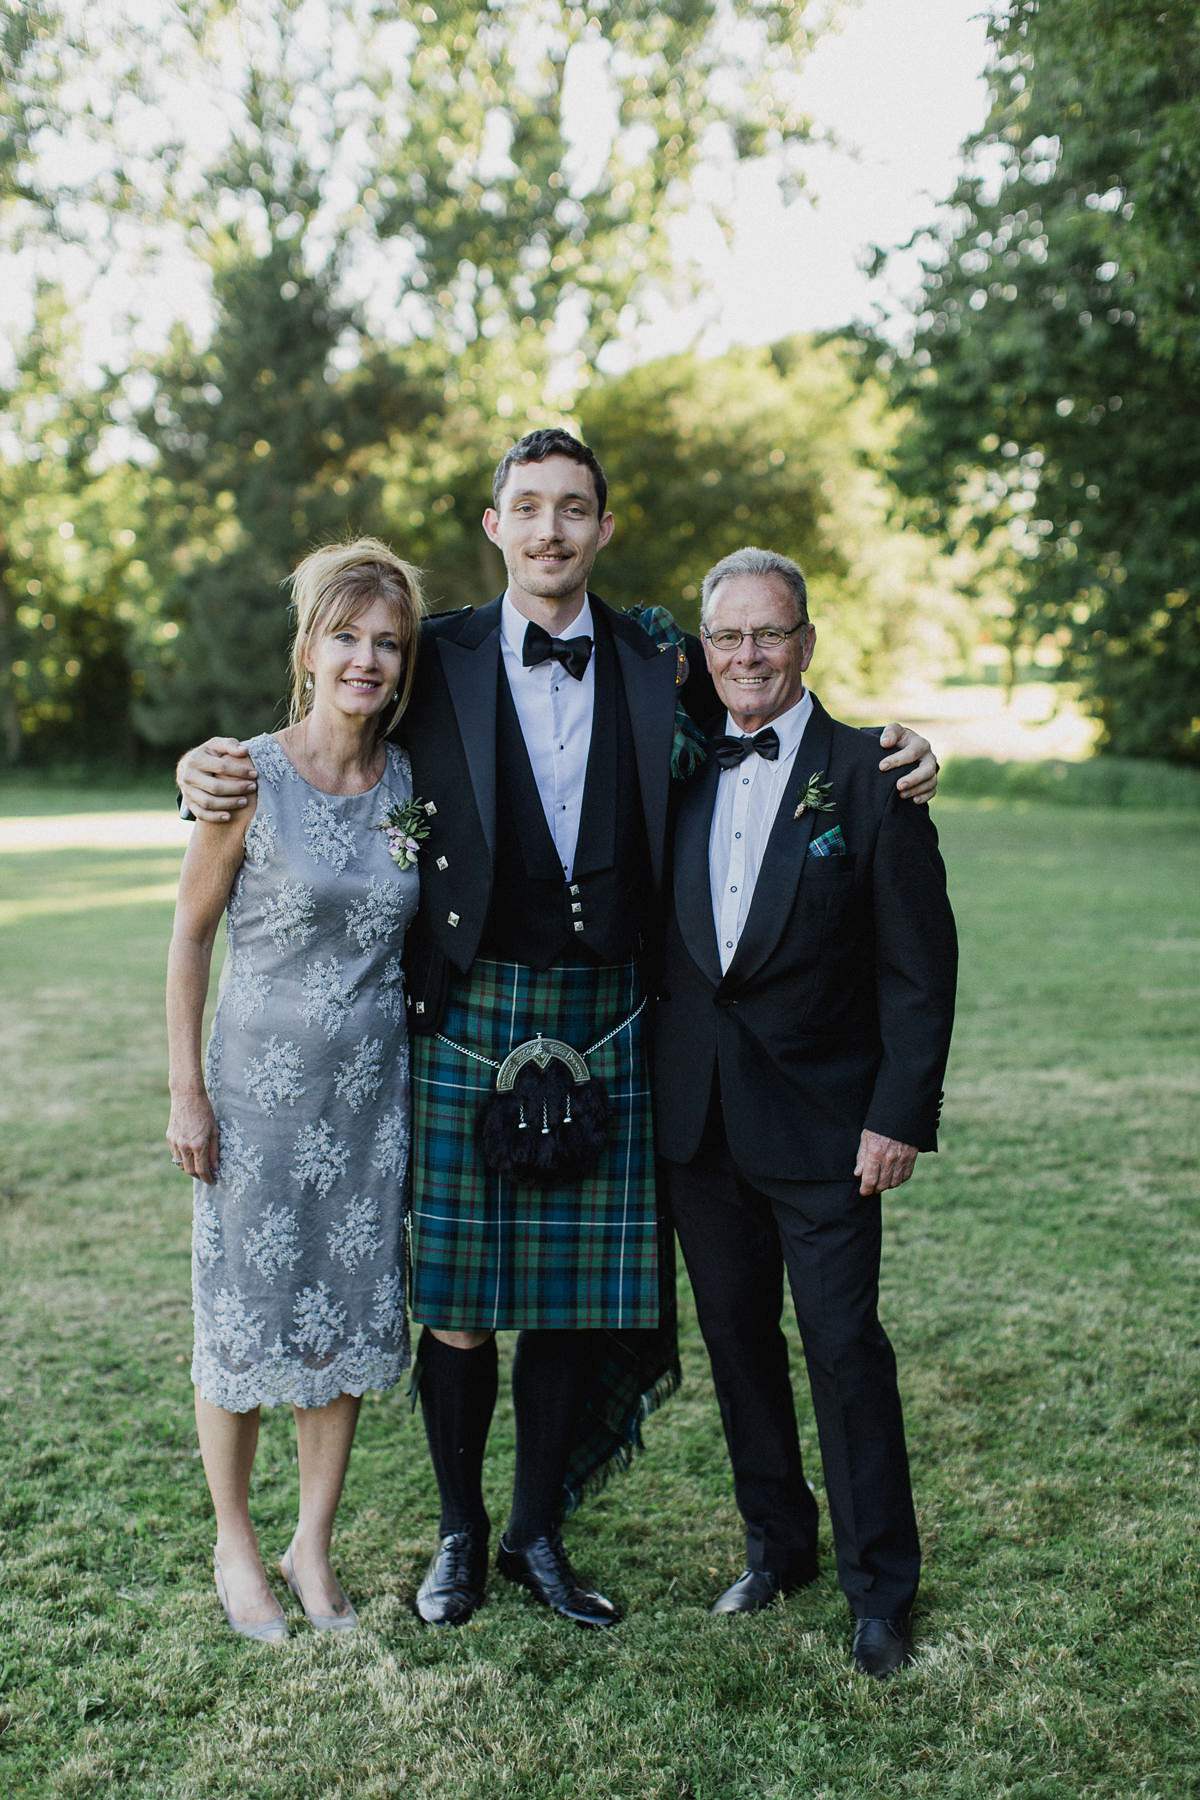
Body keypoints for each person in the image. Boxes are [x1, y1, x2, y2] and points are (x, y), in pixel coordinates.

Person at [177, 429, 940, 1631]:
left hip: (613, 1011)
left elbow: (767, 708)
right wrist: (207, 768)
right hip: (474, 1006)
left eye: (572, 510)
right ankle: (459, 1536)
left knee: (575, 1299)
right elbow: (340, 711)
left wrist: (897, 751)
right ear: (495, 526)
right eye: (526, 509)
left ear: (602, 530)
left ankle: (538, 1533)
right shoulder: (438, 654)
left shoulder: (658, 658)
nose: (548, 531)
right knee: (463, 1297)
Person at [654, 545, 957, 1678]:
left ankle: (882, 1588)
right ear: (703, 648)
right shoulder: (676, 760)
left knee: (841, 1348)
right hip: (698, 1124)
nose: (747, 656)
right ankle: (777, 1546)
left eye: (768, 634)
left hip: (831, 1129)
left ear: (807, 643)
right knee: (737, 1345)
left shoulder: (871, 772)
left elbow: (921, 970)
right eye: (726, 636)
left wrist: (898, 1116)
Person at [166, 539, 425, 1640]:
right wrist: (187, 1090)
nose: (366, 660)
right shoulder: (245, 773)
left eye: (387, 643)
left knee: (346, 1316)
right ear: (308, 648)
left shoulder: (414, 779)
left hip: (370, 1100)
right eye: (347, 637)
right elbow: (188, 937)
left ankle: (312, 1549)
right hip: (256, 1102)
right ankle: (236, 1545)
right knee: (243, 1319)